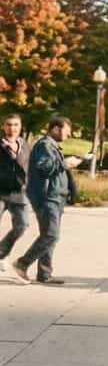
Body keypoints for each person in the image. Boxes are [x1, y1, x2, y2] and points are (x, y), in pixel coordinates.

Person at [12, 116, 78, 285]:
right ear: (56, 129)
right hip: (47, 197)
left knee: (49, 235)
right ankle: (22, 263)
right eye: (66, 130)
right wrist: (65, 163)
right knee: (50, 234)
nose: (68, 135)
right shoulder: (45, 145)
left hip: (55, 197)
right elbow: (45, 167)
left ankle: (44, 274)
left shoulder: (52, 146)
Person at [0, 113, 32, 273]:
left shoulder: (25, 144)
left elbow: (29, 166)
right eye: (8, 124)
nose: (12, 128)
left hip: (20, 192)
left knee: (22, 225)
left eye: (15, 125)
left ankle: (1, 253)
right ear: (3, 126)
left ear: (20, 127)